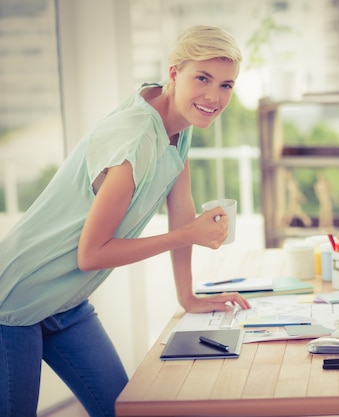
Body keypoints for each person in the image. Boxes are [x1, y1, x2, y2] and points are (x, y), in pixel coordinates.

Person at [0, 25, 251, 417]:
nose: (214, 97)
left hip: (65, 303)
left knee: (120, 410)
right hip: (16, 300)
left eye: (226, 85)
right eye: (202, 78)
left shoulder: (177, 127)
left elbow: (181, 206)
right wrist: (185, 234)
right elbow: (91, 254)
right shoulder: (136, 139)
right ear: (173, 72)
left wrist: (186, 296)